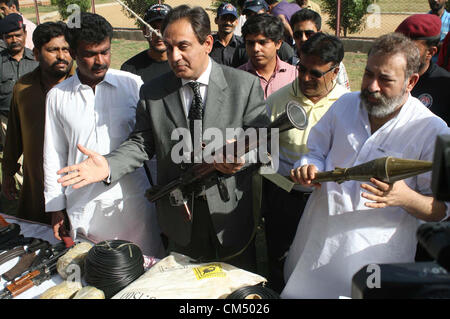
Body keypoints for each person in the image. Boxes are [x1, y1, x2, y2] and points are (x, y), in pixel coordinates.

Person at [54, 6, 269, 272]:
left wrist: (240, 159)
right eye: (168, 48)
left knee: (237, 287)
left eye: (183, 46)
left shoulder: (244, 86)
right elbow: (142, 143)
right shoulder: (153, 92)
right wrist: (109, 165)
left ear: (207, 43)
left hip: (230, 217)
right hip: (180, 219)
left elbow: (264, 141)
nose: (174, 56)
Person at [283, 33, 450, 299]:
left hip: (375, 262)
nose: (372, 86)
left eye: (385, 80)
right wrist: (308, 166)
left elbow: (443, 210)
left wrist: (406, 198)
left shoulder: (432, 130)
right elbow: (314, 151)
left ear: (411, 82)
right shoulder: (346, 105)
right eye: (368, 74)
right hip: (316, 247)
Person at [43, 12, 164, 257]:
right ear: (74, 54)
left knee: (145, 269)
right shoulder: (58, 96)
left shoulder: (132, 84)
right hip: (83, 205)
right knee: (96, 274)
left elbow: (148, 143)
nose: (100, 61)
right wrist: (56, 207)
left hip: (134, 201)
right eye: (90, 54)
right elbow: (53, 154)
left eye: (105, 51)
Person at [262, 32, 349, 293]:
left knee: (318, 260)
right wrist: (280, 183)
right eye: (302, 69)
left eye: (315, 73)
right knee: (279, 259)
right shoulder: (277, 101)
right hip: (283, 197)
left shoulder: (347, 104)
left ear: (334, 72)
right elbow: (261, 152)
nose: (305, 78)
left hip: (326, 201)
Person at [1, 22, 75, 225]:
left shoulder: (82, 86)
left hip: (75, 181)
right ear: (36, 54)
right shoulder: (24, 88)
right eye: (53, 50)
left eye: (66, 49)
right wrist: (8, 172)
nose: (62, 56)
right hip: (37, 181)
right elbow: (15, 134)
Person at [396, 13, 450, 125]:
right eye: (398, 45)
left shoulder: (445, 86)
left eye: (410, 47)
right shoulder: (388, 78)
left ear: (430, 53)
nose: (401, 52)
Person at [238, 13, 297, 99]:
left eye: (262, 43)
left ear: (278, 44)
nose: (256, 49)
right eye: (250, 43)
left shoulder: (294, 76)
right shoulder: (236, 79)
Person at [0, 13, 38, 147]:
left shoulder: (37, 59)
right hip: (6, 122)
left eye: (18, 35)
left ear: (25, 34)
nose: (14, 39)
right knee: (11, 162)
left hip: (35, 121)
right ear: (3, 38)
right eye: (9, 37)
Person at [289, 9, 351, 90]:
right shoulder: (288, 62)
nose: (303, 39)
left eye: (309, 34)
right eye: (298, 34)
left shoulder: (332, 63)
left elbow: (344, 94)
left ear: (319, 33)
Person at [232, 0, 295, 67]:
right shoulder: (241, 49)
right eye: (249, 15)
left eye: (263, 43)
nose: (256, 48)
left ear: (267, 13)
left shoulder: (282, 48)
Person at [120, 3, 172, 83]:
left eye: (164, 28)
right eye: (153, 28)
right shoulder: (129, 70)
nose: (159, 35)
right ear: (144, 31)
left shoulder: (184, 65)